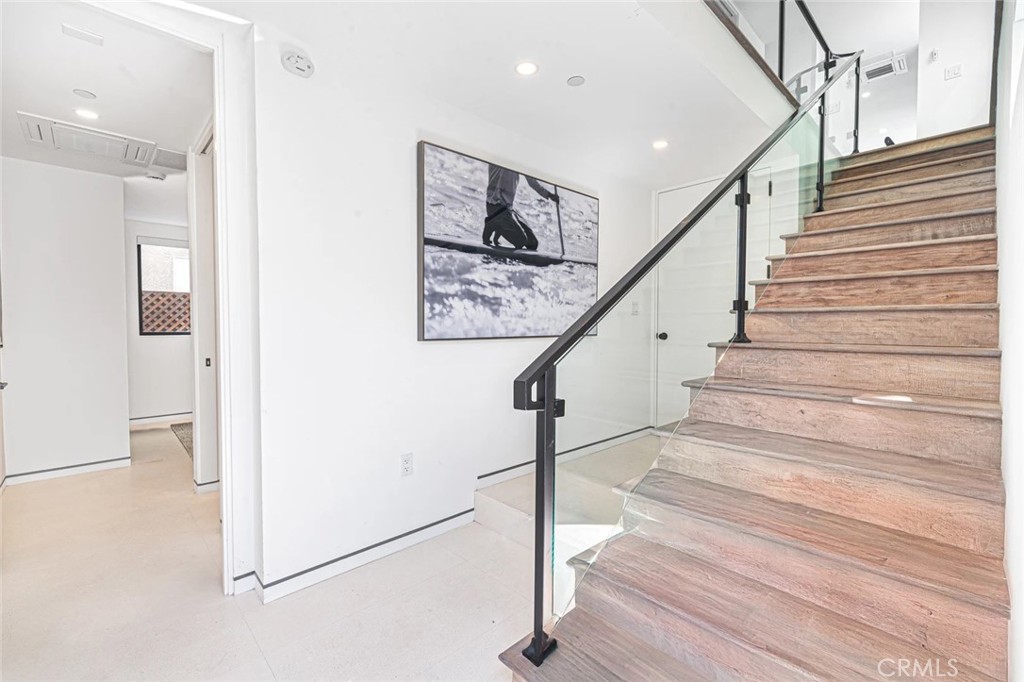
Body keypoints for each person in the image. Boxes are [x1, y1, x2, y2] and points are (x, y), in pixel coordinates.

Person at [482, 165, 559, 251]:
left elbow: (532, 182)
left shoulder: (520, 160)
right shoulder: (501, 157)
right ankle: (492, 223)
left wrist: (549, 194)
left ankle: (499, 226)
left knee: (532, 244)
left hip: (508, 208)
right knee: (521, 241)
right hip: (495, 206)